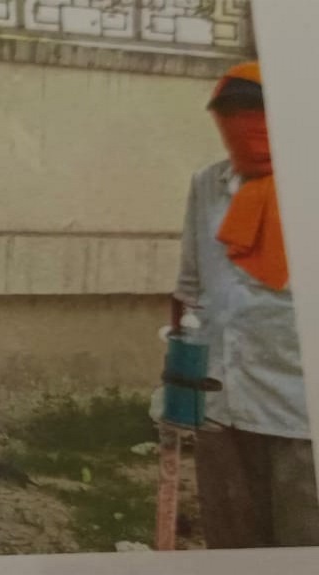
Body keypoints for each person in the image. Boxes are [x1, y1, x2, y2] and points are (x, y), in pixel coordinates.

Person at [172, 60, 319, 548]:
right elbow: (191, 290)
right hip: (221, 401)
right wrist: (177, 381)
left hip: (297, 410)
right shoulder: (207, 185)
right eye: (232, 113)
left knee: (301, 544)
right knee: (232, 544)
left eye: (257, 111)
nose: (245, 124)